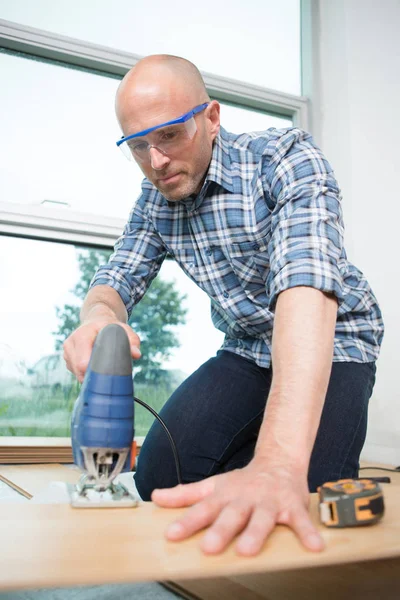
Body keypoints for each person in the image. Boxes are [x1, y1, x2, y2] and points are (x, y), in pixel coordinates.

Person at [64, 54, 384, 557]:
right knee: (159, 477)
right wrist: (99, 319)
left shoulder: (285, 158)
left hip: (336, 340)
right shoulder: (155, 201)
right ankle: (255, 459)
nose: (156, 162)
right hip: (248, 347)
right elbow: (114, 280)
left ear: (211, 118)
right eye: (138, 146)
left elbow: (305, 288)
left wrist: (280, 463)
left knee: (303, 499)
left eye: (169, 135)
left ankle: (281, 459)